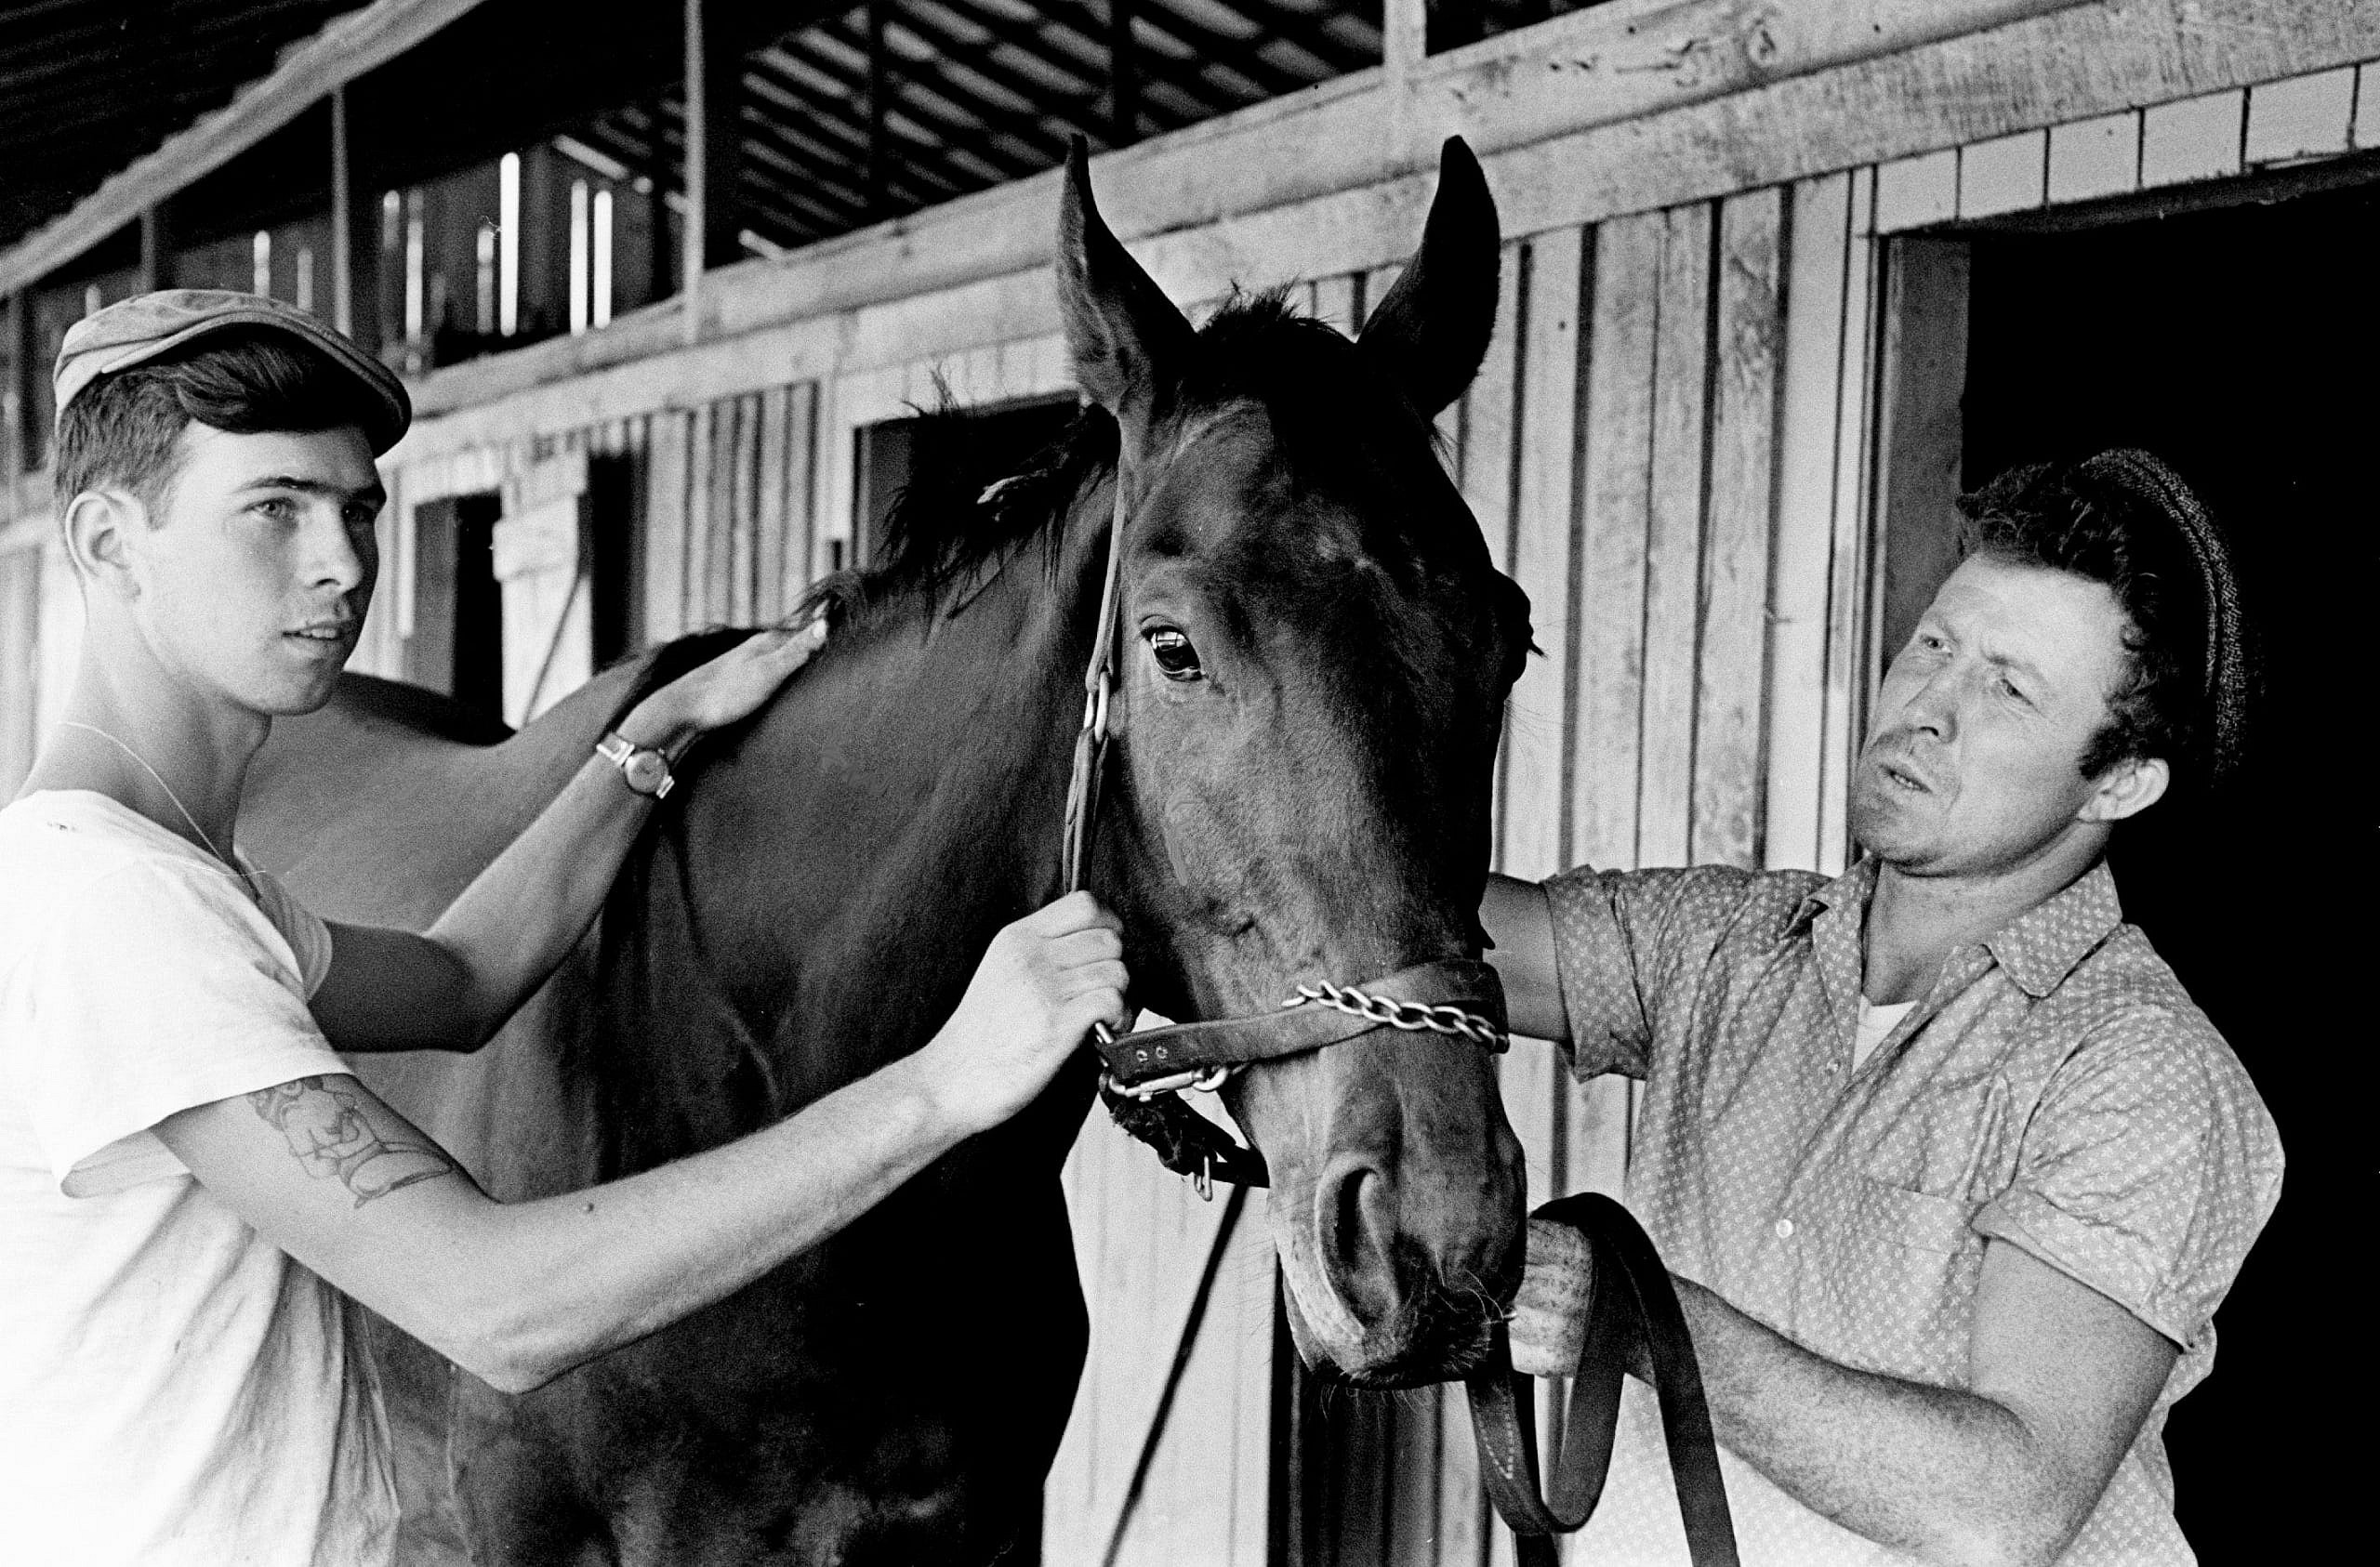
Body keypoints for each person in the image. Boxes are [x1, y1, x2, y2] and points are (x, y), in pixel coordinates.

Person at [0, 290, 1130, 1567]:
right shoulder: (111, 913)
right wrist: (941, 1086)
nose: (344, 563)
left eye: (358, 509)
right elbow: (492, 1303)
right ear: (109, 541)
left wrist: (649, 738)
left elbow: (462, 978)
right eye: (275, 508)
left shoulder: (187, 885)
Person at [1487, 451, 2281, 1567]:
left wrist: (1641, 1321)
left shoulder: (2134, 1067)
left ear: (2119, 782)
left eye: (2007, 688)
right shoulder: (1728, 946)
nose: (1928, 709)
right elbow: (1400, 945)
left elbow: (2005, 1503)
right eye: (1934, 647)